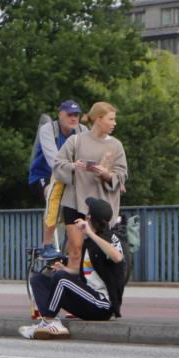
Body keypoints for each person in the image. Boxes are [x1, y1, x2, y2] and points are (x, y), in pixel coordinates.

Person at [20, 197, 127, 339]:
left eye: (87, 213)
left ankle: (49, 321)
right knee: (38, 280)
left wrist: (90, 233)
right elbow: (86, 271)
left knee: (61, 279)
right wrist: (65, 270)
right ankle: (53, 322)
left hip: (103, 305)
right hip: (87, 299)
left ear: (89, 218)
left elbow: (118, 257)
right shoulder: (89, 242)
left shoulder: (109, 238)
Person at [52, 101, 127, 275]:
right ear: (98, 119)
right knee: (76, 250)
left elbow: (122, 174)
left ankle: (95, 287)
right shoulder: (76, 140)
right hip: (75, 201)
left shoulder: (116, 145)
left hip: (101, 206)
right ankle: (71, 286)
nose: (114, 123)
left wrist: (107, 175)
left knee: (98, 250)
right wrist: (74, 166)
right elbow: (58, 165)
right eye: (111, 119)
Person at [27, 100, 86, 260]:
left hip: (70, 177)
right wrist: (74, 166)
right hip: (43, 175)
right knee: (51, 194)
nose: (73, 118)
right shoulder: (48, 130)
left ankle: (72, 247)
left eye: (76, 115)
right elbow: (54, 161)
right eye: (70, 114)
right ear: (60, 115)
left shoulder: (83, 131)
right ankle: (47, 244)